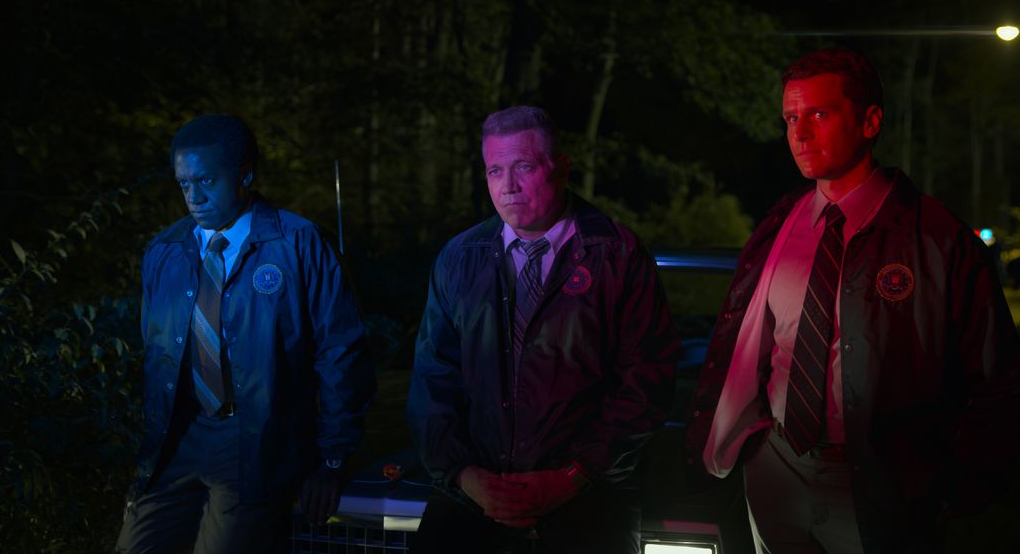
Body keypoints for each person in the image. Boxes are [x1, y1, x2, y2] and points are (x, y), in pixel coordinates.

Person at [685, 48, 1020, 553]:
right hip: (778, 467)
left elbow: (999, 379)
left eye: (819, 115)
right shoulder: (781, 226)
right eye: (790, 118)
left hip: (884, 479)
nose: (799, 134)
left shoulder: (936, 237)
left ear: (870, 122)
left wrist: (954, 486)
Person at [406, 105, 680, 554]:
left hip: (589, 502)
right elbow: (433, 378)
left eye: (524, 167)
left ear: (561, 166)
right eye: (495, 170)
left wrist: (572, 476)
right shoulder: (460, 258)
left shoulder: (617, 254)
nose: (507, 186)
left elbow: (646, 382)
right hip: (473, 498)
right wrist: (462, 474)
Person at [116, 114, 374, 553]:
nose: (193, 197)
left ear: (244, 175)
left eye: (206, 181)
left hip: (258, 440)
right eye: (183, 184)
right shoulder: (164, 252)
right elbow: (155, 355)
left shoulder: (299, 244)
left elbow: (340, 352)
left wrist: (332, 459)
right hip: (179, 440)